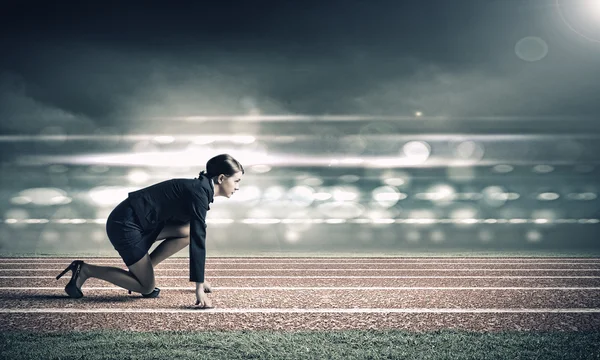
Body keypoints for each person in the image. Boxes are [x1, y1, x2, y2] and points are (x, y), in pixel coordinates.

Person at [55, 154, 244, 308]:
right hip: (125, 225)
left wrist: (200, 280)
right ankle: (85, 270)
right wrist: (199, 287)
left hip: (143, 224)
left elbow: (194, 234)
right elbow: (199, 242)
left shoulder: (200, 190)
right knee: (146, 287)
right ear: (221, 178)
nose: (237, 187)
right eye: (236, 181)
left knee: (189, 232)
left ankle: (143, 270)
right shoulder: (198, 193)